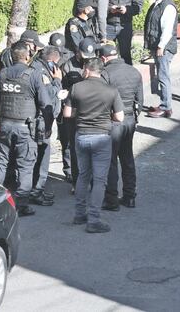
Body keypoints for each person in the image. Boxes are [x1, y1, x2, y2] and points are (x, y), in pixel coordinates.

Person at [0, 40, 53, 216]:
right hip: (25, 127)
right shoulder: (33, 75)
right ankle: (22, 205)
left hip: (4, 125)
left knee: (1, 161)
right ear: (26, 56)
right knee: (25, 165)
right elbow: (45, 103)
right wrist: (47, 128)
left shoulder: (2, 74)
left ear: (11, 56)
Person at [65, 58, 124, 233]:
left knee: (83, 176)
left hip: (82, 136)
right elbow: (120, 117)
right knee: (99, 180)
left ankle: (79, 214)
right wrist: (107, 116)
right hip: (101, 138)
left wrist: (80, 112)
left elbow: (67, 113)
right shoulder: (111, 91)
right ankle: (94, 220)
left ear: (87, 70)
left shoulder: (76, 88)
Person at [100, 43, 142, 210]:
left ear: (103, 58)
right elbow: (140, 101)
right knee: (127, 158)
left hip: (112, 121)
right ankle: (130, 196)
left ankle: (111, 199)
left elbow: (102, 101)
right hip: (130, 120)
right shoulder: (133, 71)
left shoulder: (105, 73)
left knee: (111, 160)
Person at [58, 36, 98, 188]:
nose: (87, 60)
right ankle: (75, 180)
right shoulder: (67, 66)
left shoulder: (95, 63)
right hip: (73, 113)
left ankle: (94, 181)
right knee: (73, 149)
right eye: (84, 56)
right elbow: (62, 90)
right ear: (78, 52)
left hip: (92, 113)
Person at [29, 45, 64, 205]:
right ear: (51, 60)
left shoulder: (37, 66)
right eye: (56, 63)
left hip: (39, 120)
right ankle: (36, 191)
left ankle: (36, 190)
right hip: (42, 121)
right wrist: (57, 80)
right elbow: (49, 95)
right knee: (42, 158)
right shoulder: (41, 72)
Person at [145, 0, 177, 119]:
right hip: (157, 45)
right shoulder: (157, 5)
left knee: (163, 77)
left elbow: (167, 29)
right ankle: (164, 105)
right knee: (162, 75)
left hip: (163, 47)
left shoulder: (168, 7)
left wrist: (161, 46)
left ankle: (166, 107)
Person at [107, 0, 143, 65]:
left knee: (125, 53)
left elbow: (138, 6)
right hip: (108, 24)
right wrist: (110, 9)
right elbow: (99, 3)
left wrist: (127, 10)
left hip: (125, 25)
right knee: (106, 53)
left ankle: (127, 76)